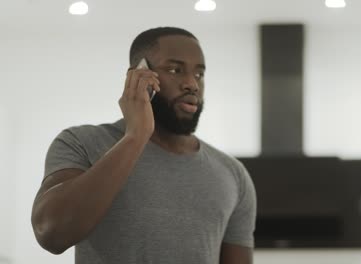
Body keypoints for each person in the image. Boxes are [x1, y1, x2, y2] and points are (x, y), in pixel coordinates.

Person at [31, 27, 257, 264]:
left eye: (199, 74)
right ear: (138, 75)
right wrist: (136, 135)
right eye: (174, 70)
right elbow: (52, 234)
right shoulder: (81, 143)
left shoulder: (233, 174)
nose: (192, 84)